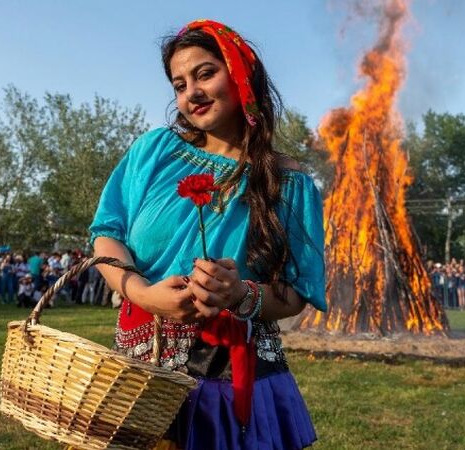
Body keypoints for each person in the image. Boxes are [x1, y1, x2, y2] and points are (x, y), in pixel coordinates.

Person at [87, 20, 324, 449]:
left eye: (205, 74)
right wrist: (142, 293)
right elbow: (106, 233)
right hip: (139, 375)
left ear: (240, 74)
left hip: (228, 381)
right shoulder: (154, 151)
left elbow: (294, 295)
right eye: (179, 85)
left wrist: (240, 294)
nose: (191, 93)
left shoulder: (289, 183)